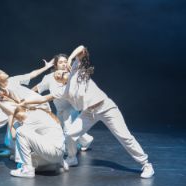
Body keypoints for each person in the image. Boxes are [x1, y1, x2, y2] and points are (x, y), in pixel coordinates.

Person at [52, 45, 154, 178]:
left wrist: (70, 58)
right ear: (59, 80)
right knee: (70, 134)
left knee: (124, 137)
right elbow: (45, 97)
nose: (61, 71)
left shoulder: (76, 70)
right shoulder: (64, 92)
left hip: (106, 107)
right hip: (89, 113)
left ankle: (146, 165)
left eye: (63, 65)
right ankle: (72, 158)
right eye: (58, 75)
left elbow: (82, 48)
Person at [31, 54, 94, 151]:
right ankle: (86, 139)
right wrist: (27, 93)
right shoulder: (49, 77)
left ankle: (69, 152)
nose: (64, 64)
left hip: (71, 107)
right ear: (55, 65)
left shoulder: (72, 75)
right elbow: (38, 87)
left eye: (65, 62)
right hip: (60, 108)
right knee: (66, 128)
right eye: (61, 62)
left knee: (67, 129)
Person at [0, 60, 53, 156]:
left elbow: (31, 74)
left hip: (36, 103)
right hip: (24, 108)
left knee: (40, 127)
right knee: (13, 124)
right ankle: (14, 149)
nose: (3, 72)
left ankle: (46, 149)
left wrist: (46, 67)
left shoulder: (13, 79)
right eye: (0, 73)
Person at [0, 101, 67, 178]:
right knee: (27, 162)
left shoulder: (33, 116)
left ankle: (27, 170)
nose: (19, 120)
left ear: (25, 110)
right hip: (57, 154)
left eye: (18, 117)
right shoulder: (39, 113)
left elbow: (15, 136)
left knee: (21, 131)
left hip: (53, 151)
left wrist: (10, 117)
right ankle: (54, 165)